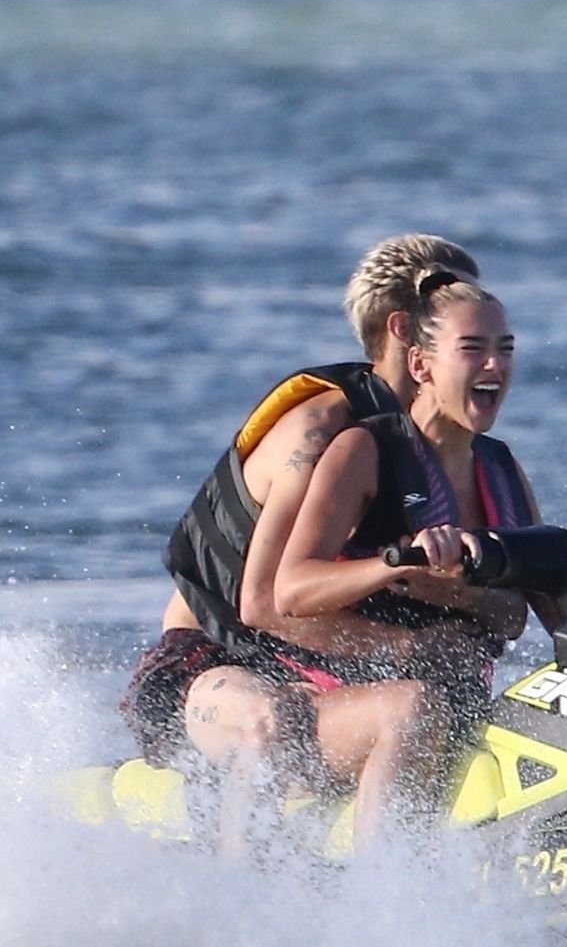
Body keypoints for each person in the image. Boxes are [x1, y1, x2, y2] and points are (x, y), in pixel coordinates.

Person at [120, 234, 488, 852]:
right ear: (405, 330)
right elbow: (261, 604)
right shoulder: (319, 431)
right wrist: (408, 647)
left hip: (315, 660)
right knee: (271, 721)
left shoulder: (435, 448)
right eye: (454, 314)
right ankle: (242, 895)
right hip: (215, 658)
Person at [272, 270, 542, 827]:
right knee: (415, 708)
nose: (495, 365)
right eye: (473, 349)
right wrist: (393, 569)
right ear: (421, 365)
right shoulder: (363, 451)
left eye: (506, 350)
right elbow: (291, 590)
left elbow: (520, 613)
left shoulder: (503, 469)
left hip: (458, 701)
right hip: (331, 711)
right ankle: (381, 882)